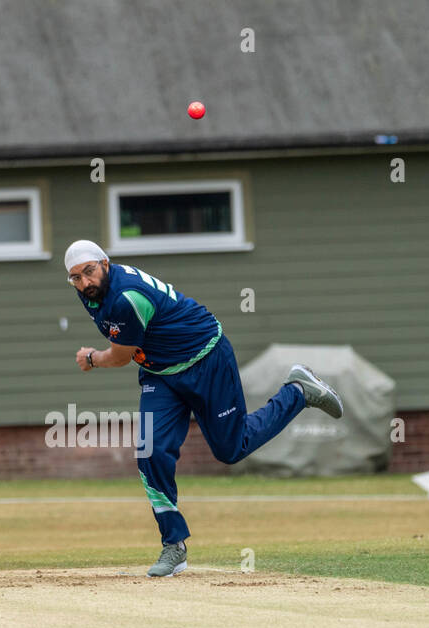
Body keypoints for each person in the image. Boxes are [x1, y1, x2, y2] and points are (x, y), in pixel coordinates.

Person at [65, 239, 344, 577]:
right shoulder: (92, 292)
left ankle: (298, 392)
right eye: (76, 278)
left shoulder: (126, 297)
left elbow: (120, 356)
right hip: (162, 374)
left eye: (89, 272)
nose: (85, 283)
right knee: (151, 451)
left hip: (205, 359)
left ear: (105, 264)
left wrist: (91, 358)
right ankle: (174, 546)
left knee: (231, 449)